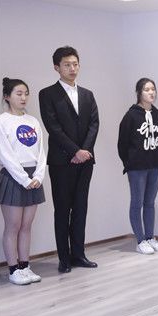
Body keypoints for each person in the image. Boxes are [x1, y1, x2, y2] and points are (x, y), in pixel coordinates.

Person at [39, 46, 99, 273]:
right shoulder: (47, 94)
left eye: (75, 64)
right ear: (57, 67)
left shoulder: (87, 94)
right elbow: (53, 127)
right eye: (67, 65)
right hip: (61, 161)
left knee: (81, 208)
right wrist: (75, 151)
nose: (72, 68)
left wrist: (84, 150)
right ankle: (64, 259)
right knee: (63, 209)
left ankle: (79, 255)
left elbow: (94, 124)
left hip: (86, 161)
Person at [0, 78, 46, 285]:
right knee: (13, 226)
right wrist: (24, 179)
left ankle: (25, 266)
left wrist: (39, 176)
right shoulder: (1, 121)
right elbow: (5, 154)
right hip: (13, 176)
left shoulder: (33, 121)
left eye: (26, 93)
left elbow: (41, 152)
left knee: (26, 226)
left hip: (33, 177)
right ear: (7, 96)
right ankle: (13, 270)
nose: (23, 97)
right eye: (18, 93)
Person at [117, 78, 158, 255]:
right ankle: (140, 240)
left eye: (153, 89)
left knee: (150, 203)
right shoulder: (131, 115)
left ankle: (150, 237)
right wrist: (129, 163)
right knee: (137, 203)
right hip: (137, 167)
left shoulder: (157, 114)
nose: (151, 92)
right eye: (147, 89)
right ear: (139, 93)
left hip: (156, 165)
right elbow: (122, 143)